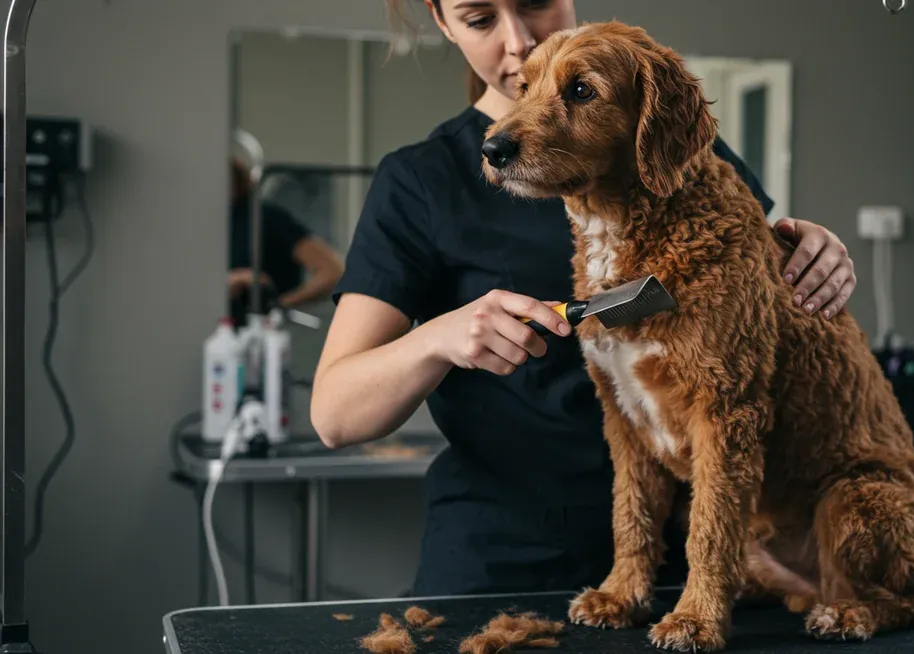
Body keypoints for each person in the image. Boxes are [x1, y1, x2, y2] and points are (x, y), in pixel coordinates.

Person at [311, 0, 860, 597]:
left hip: (689, 570)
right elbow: (336, 415)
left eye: (535, 4)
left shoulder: (663, 133)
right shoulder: (419, 181)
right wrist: (437, 338)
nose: (518, 40)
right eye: (479, 19)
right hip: (503, 564)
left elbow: (755, 301)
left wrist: (810, 248)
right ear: (443, 24)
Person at [228, 156, 346, 320]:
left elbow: (332, 271)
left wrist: (278, 305)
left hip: (261, 328)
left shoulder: (264, 218)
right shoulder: (196, 225)